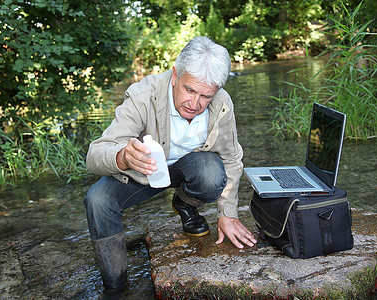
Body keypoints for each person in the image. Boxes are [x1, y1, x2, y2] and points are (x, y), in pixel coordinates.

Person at [83, 36, 257, 296]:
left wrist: (227, 213)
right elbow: (94, 154)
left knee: (212, 172)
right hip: (142, 173)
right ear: (175, 75)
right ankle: (116, 286)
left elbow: (231, 158)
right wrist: (123, 157)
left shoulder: (222, 103)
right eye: (190, 90)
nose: (195, 104)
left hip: (190, 170)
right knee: (97, 199)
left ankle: (185, 204)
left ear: (216, 91)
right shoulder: (143, 96)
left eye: (205, 96)